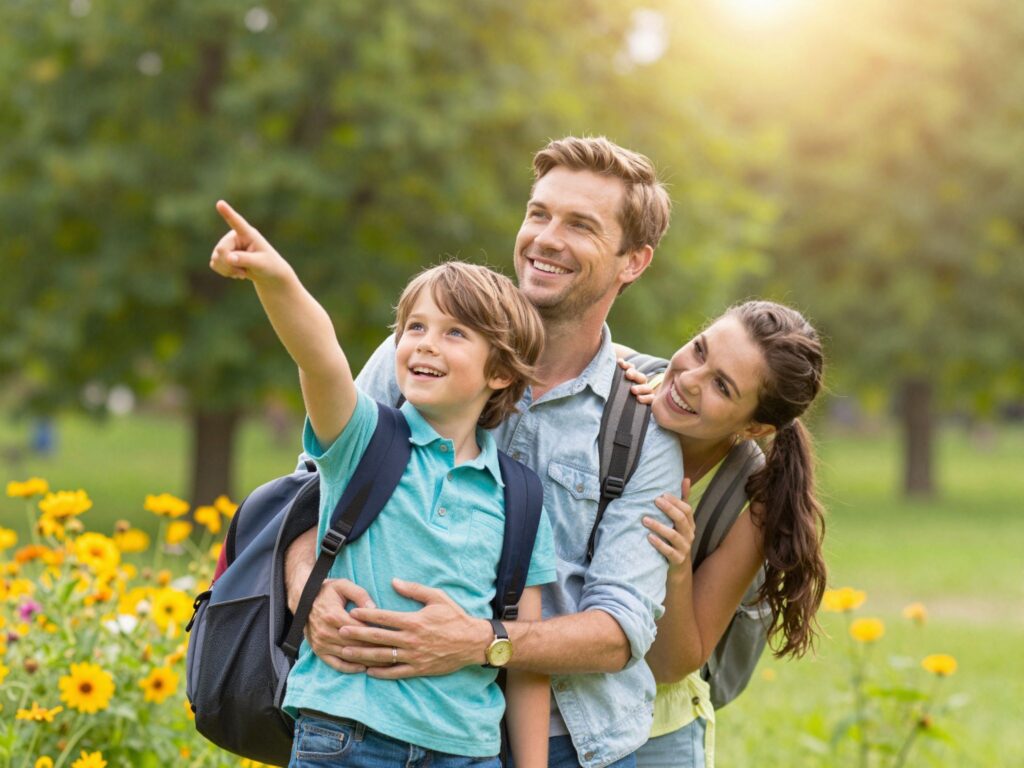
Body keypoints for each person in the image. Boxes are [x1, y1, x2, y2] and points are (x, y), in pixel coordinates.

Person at [285, 136, 685, 768]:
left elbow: (622, 629)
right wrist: (308, 592)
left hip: (566, 739)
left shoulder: (642, 422)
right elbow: (308, 497)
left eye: (579, 224)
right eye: (538, 213)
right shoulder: (417, 361)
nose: (545, 238)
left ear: (632, 261)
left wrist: (477, 643)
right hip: (377, 713)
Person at [208, 201, 557, 768]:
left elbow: (525, 657)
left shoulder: (520, 497)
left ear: (499, 373)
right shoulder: (364, 438)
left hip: (466, 752)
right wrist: (276, 278)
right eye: (414, 327)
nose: (425, 343)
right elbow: (319, 358)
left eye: (455, 333)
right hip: (345, 738)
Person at [617, 300, 827, 768]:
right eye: (698, 350)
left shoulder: (753, 500)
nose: (689, 379)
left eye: (721, 385)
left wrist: (676, 569)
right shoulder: (614, 380)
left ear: (754, 426)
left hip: (655, 724)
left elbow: (676, 663)